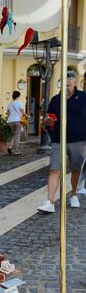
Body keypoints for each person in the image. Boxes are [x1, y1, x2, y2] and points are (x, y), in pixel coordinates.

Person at [38, 71, 86, 213]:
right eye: (64, 85)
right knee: (54, 169)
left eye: (69, 85)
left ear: (75, 83)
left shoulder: (83, 98)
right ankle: (49, 202)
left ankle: (74, 194)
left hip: (79, 140)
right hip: (58, 140)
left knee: (76, 169)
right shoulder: (56, 99)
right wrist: (47, 121)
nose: (67, 87)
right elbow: (47, 120)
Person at [7, 91, 26, 155]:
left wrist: (7, 121)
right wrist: (27, 116)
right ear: (18, 96)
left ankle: (10, 146)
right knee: (17, 136)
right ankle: (16, 151)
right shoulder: (20, 103)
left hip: (10, 121)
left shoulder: (9, 104)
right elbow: (23, 113)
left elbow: (8, 114)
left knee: (14, 135)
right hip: (18, 121)